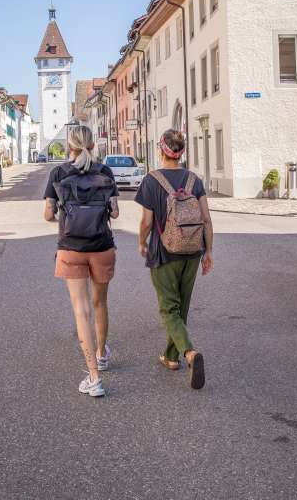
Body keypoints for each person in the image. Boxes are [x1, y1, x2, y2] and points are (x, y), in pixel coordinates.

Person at [44, 126, 119, 397]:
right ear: (92, 144)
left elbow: (47, 215)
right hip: (102, 246)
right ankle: (101, 354)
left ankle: (94, 378)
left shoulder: (59, 173)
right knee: (100, 303)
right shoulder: (106, 172)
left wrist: (66, 214)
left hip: (71, 248)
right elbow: (116, 212)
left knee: (81, 310)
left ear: (70, 146)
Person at [135, 129, 214, 389]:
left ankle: (189, 353)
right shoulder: (194, 180)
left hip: (164, 252)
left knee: (169, 308)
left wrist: (141, 242)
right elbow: (206, 219)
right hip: (192, 251)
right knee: (181, 308)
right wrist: (208, 252)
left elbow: (147, 222)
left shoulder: (151, 180)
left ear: (161, 150)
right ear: (182, 153)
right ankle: (170, 356)